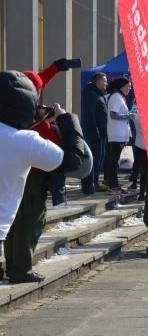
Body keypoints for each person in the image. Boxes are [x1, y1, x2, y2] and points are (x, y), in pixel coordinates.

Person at [0, 69, 91, 283]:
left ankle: (16, 266)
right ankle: (20, 269)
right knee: (29, 222)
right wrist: (68, 119)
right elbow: (72, 160)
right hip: (36, 178)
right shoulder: (25, 140)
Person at [103, 77, 134, 194]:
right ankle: (113, 186)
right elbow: (113, 114)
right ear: (121, 86)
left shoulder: (119, 96)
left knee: (114, 161)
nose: (130, 89)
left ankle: (114, 185)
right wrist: (129, 116)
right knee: (113, 160)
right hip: (116, 134)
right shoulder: (116, 97)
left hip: (119, 134)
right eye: (128, 86)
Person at [80, 72, 108, 194]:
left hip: (100, 132)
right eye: (104, 81)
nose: (106, 83)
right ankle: (90, 184)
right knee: (93, 159)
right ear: (97, 82)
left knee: (99, 158)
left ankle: (94, 181)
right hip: (93, 133)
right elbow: (90, 115)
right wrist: (95, 132)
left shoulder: (98, 94)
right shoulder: (91, 94)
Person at [129, 100, 148, 201]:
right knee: (145, 170)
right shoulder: (144, 112)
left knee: (138, 166)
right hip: (147, 144)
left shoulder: (135, 110)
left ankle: (136, 186)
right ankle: (142, 193)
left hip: (139, 142)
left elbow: (131, 116)